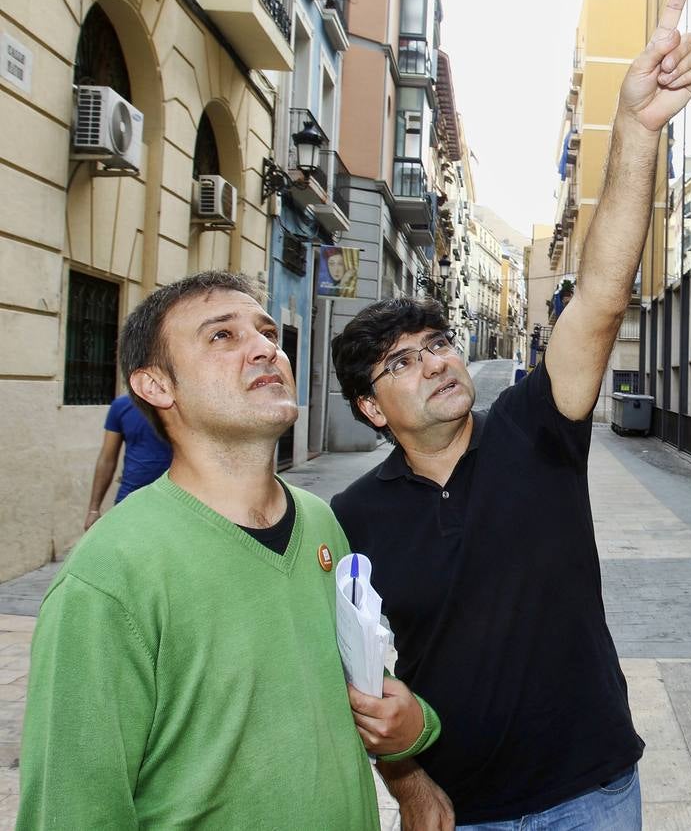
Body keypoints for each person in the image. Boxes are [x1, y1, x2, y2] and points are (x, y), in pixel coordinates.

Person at [327, 0, 691, 830]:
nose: (434, 365)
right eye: (402, 363)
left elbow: (602, 295)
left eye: (438, 345)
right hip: (467, 811)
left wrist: (638, 128)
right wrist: (411, 786)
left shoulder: (538, 430)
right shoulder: (353, 517)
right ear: (370, 409)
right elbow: (365, 677)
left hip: (594, 795)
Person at [19, 271, 438, 829]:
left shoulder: (319, 524)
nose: (267, 348)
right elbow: (70, 811)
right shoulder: (109, 575)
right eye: (223, 336)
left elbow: (350, 688)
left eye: (266, 332)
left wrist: (410, 777)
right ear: (156, 387)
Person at [84, 392, 173, 529]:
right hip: (129, 499)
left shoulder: (181, 406)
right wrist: (94, 509)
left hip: (172, 500)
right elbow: (107, 459)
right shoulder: (121, 406)